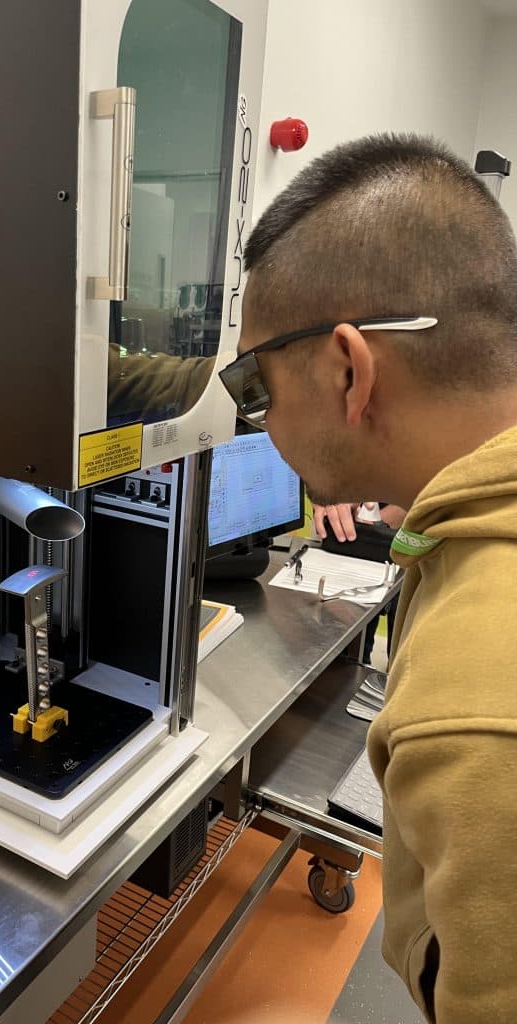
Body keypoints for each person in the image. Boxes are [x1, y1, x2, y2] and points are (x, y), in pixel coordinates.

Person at [217, 134, 517, 1022]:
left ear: (349, 370)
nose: (257, 420)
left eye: (254, 385)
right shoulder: (462, 533)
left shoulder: (475, 710)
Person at [313, 501, 405, 663]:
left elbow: (425, 495)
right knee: (345, 653)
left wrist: (374, 532)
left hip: (408, 545)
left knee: (403, 659)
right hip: (347, 548)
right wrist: (324, 498)